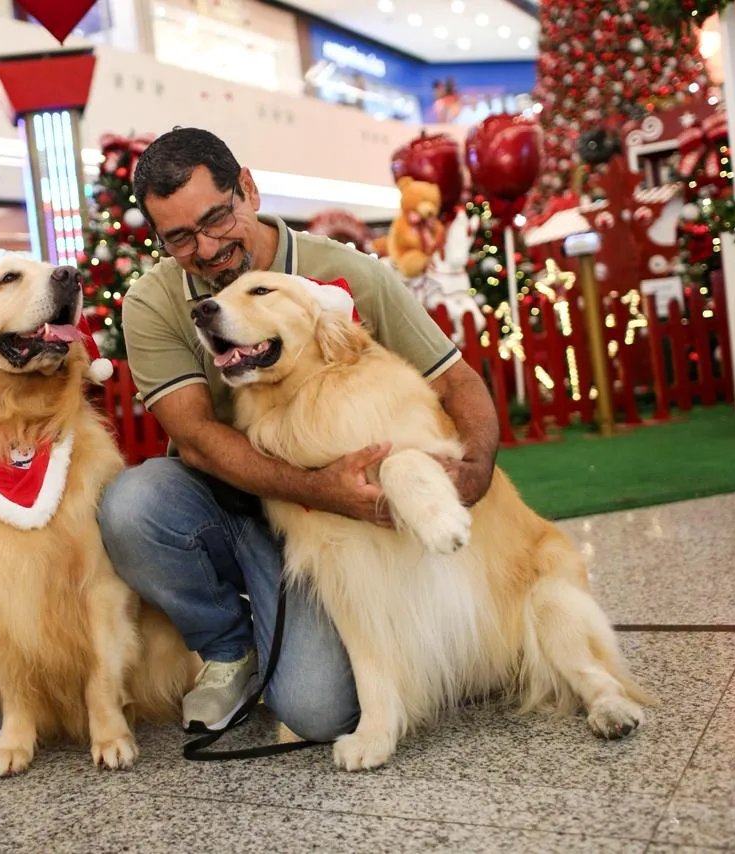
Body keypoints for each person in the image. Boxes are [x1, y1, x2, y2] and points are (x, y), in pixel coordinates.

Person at [98, 127, 500, 740]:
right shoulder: (153, 301)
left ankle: (310, 642)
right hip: (233, 498)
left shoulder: (346, 271)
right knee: (132, 503)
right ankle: (228, 647)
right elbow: (200, 439)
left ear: (248, 191)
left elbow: (457, 382)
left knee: (318, 712)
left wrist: (474, 470)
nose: (205, 248)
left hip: (339, 517)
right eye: (179, 237)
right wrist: (318, 486)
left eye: (216, 218)